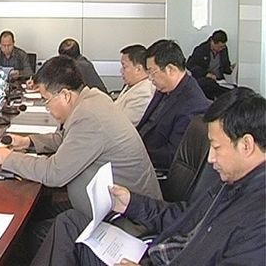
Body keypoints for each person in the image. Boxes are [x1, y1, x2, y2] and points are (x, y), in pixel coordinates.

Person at [31, 87, 266, 266]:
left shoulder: (258, 218)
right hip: (153, 250)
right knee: (70, 221)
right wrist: (131, 203)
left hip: (154, 257)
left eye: (216, 147)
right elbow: (185, 217)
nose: (211, 159)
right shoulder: (233, 182)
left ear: (246, 145)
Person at [0, 55, 161, 221]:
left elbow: (54, 172)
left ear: (65, 95)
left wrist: (9, 158)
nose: (47, 107)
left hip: (126, 219)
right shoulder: (92, 98)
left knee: (31, 226)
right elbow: (68, 138)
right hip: (105, 206)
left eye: (46, 100)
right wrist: (28, 142)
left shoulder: (88, 116)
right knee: (39, 211)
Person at [137, 39, 210, 170]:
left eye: (152, 72)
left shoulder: (192, 104)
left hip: (151, 166)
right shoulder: (165, 89)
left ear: (170, 69)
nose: (150, 79)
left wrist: (136, 154)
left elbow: (173, 154)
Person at [114, 44, 155, 126]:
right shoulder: (133, 84)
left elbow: (123, 125)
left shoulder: (144, 93)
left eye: (124, 67)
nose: (121, 71)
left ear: (138, 69)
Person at [187, 29, 234, 100]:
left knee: (232, 90)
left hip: (220, 81)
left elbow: (225, 66)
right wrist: (206, 74)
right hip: (206, 81)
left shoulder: (223, 50)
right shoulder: (201, 49)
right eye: (219, 47)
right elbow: (191, 65)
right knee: (207, 85)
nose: (221, 49)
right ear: (212, 42)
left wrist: (230, 69)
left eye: (223, 46)